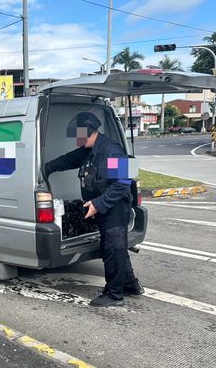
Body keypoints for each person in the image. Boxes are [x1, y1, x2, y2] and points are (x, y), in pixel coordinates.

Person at [44, 112, 143, 307]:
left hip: (115, 207)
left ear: (89, 132)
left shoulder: (110, 151)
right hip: (105, 207)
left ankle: (115, 295)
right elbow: (69, 159)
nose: (76, 141)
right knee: (118, 248)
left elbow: (123, 182)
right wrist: (46, 168)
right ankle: (130, 284)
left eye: (78, 136)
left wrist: (98, 204)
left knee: (112, 249)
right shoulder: (90, 150)